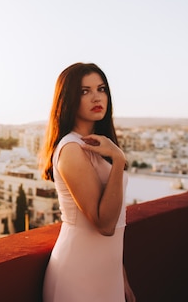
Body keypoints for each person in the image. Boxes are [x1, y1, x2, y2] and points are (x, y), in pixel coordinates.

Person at [41, 62, 135, 302]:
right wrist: (118, 159)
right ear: (68, 99)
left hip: (107, 275)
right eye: (85, 91)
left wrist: (120, 275)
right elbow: (104, 225)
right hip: (77, 275)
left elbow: (116, 223)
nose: (96, 97)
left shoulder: (99, 146)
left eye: (101, 89)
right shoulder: (72, 149)